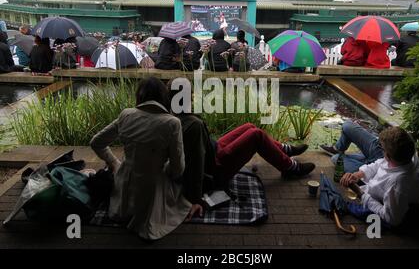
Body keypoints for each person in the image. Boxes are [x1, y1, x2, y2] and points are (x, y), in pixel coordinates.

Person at [168, 82, 315, 210]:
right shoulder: (193, 124)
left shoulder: (176, 116)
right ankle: (290, 168)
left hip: (214, 150)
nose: (194, 98)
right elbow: (196, 162)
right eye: (191, 95)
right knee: (256, 135)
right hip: (216, 167)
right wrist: (195, 199)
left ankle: (284, 150)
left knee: (249, 126)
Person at [90, 77, 196, 240]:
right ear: (164, 97)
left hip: (125, 187)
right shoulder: (172, 123)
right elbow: (178, 169)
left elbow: (96, 142)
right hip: (153, 189)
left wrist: (114, 163)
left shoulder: (126, 115)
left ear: (139, 96)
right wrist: (167, 171)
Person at [339, 126, 419, 227]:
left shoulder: (397, 184)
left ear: (388, 155)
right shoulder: (406, 158)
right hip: (375, 178)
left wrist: (360, 193)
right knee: (346, 130)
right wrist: (358, 174)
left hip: (374, 193)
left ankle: (356, 157)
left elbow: (392, 219)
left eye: (382, 149)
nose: (381, 150)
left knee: (336, 159)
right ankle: (361, 159)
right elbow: (380, 163)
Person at [320, 121, 385, 173]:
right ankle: (338, 149)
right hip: (380, 147)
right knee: (347, 126)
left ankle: (364, 161)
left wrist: (360, 174)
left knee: (336, 158)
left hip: (379, 165)